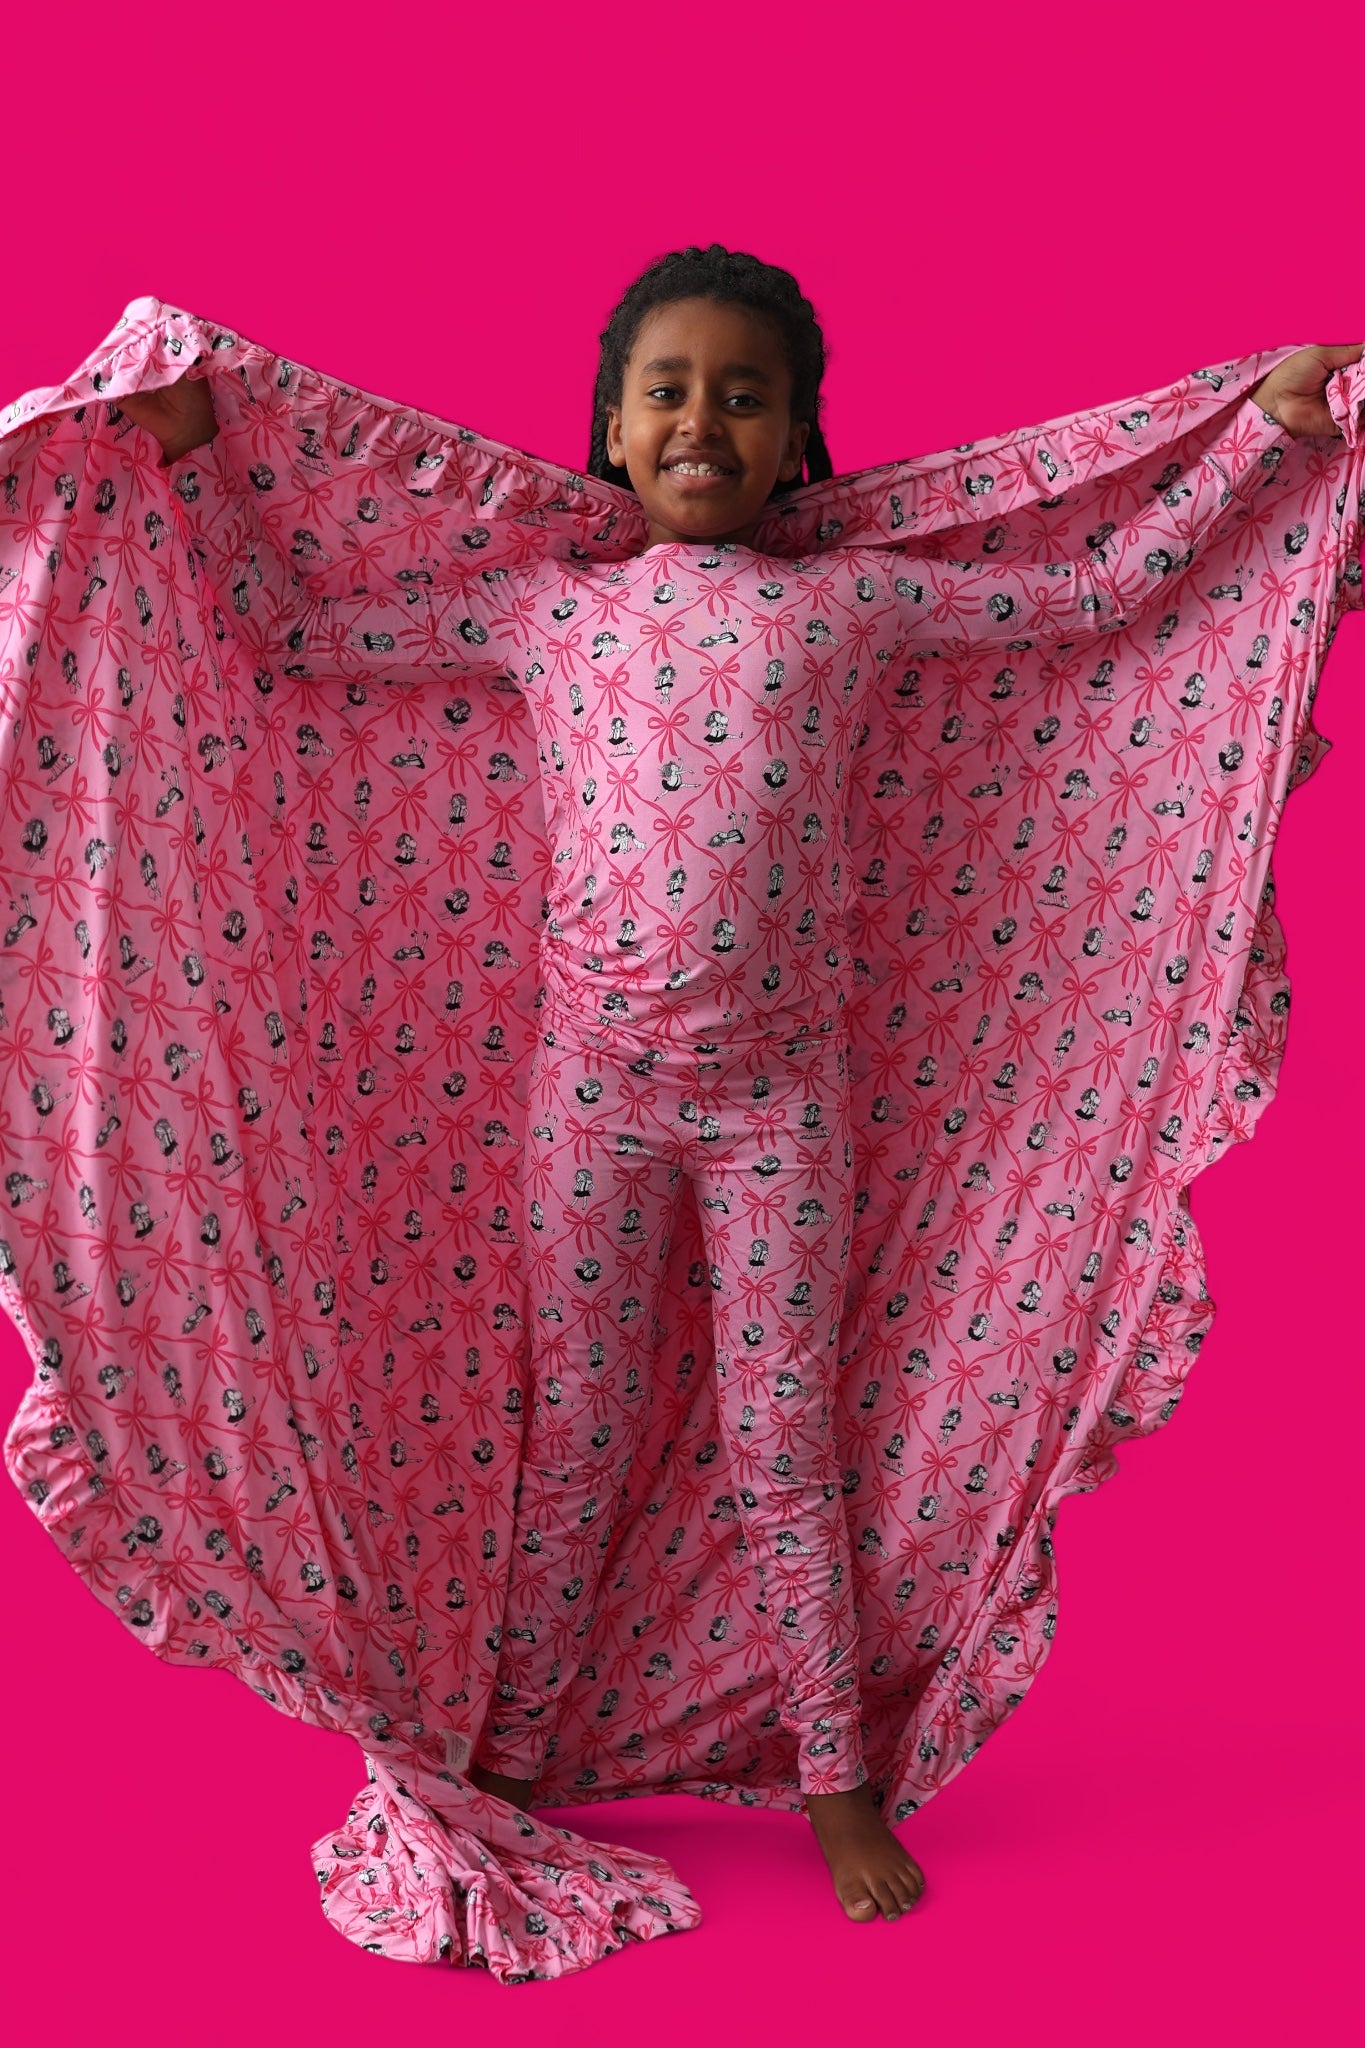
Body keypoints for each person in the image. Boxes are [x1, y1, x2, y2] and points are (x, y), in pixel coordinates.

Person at [120, 244, 1358, 1927]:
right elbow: (292, 630)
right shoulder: (543, 608)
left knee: (784, 1446)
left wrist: (1266, 438)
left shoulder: (850, 602)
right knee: (577, 1442)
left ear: (797, 439)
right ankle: (510, 1757)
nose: (702, 419)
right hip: (594, 1099)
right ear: (610, 430)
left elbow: (1093, 591)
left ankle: (835, 1778)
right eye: (668, 391)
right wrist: (192, 453)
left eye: (744, 395)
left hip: (778, 1107)